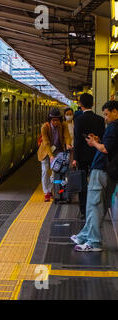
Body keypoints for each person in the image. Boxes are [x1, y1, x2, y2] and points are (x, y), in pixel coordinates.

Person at [71, 100, 118, 252]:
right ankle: (85, 235)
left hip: (102, 171)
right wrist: (98, 141)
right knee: (99, 205)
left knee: (94, 206)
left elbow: (105, 149)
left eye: (106, 114)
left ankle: (94, 242)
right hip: (110, 172)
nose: (105, 118)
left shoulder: (113, 127)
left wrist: (94, 143)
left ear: (115, 112)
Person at [72, 93, 105, 218]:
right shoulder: (100, 120)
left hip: (82, 158)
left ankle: (84, 211)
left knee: (82, 184)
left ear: (80, 105)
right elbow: (102, 139)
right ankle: (96, 209)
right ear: (93, 103)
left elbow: (77, 141)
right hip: (97, 156)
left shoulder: (78, 120)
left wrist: (75, 158)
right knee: (96, 184)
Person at [37, 108, 72, 202]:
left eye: (57, 120)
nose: (55, 122)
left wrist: (68, 143)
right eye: (53, 120)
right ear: (50, 120)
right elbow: (46, 143)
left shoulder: (63, 125)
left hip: (58, 151)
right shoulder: (45, 127)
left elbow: (67, 135)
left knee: (55, 171)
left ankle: (51, 190)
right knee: (45, 171)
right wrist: (51, 156)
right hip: (45, 152)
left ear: (60, 119)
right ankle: (46, 192)